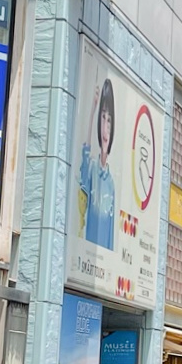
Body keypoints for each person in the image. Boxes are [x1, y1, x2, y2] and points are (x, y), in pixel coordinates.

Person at [77, 79, 117, 248]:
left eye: (109, 120)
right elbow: (85, 157)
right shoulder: (92, 168)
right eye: (103, 117)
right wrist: (93, 110)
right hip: (85, 255)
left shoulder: (111, 183)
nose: (105, 127)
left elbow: (110, 233)